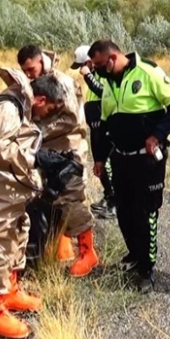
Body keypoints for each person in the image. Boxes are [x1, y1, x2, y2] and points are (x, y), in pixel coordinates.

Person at [0, 68, 68, 339]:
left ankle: (11, 291)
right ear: (39, 99)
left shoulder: (19, 107)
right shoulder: (7, 109)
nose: (48, 115)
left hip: (9, 191)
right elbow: (0, 148)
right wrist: (37, 160)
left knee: (17, 237)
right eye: (49, 109)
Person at [87, 39, 170, 293]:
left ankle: (146, 268)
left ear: (112, 59)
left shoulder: (148, 71)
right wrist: (99, 158)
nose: (95, 70)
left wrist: (157, 134)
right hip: (121, 158)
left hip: (146, 159)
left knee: (146, 213)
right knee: (124, 212)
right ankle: (134, 255)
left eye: (99, 65)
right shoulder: (109, 83)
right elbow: (104, 123)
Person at [16, 44, 98, 277]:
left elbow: (71, 119)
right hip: (47, 152)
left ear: (41, 60)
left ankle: (87, 252)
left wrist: (36, 131)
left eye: (31, 69)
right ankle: (61, 246)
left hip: (68, 148)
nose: (29, 74)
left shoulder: (62, 82)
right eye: (25, 71)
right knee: (48, 197)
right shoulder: (36, 84)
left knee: (70, 197)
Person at [70, 44, 116, 219]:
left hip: (104, 125)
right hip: (95, 125)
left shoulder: (103, 74)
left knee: (106, 162)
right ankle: (108, 196)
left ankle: (114, 202)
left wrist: (88, 76)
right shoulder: (96, 74)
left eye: (83, 65)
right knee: (99, 162)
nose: (81, 70)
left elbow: (103, 92)